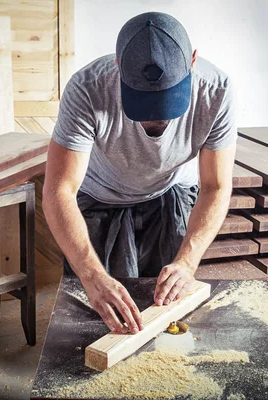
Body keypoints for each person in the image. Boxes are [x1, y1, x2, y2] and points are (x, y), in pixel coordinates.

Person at [42, 11, 236, 335]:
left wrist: (187, 263)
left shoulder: (216, 91)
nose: (154, 121)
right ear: (119, 67)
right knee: (98, 318)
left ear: (192, 61)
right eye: (143, 105)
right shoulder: (87, 89)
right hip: (101, 199)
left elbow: (216, 185)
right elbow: (58, 190)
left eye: (166, 104)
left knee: (165, 311)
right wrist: (92, 276)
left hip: (169, 194)